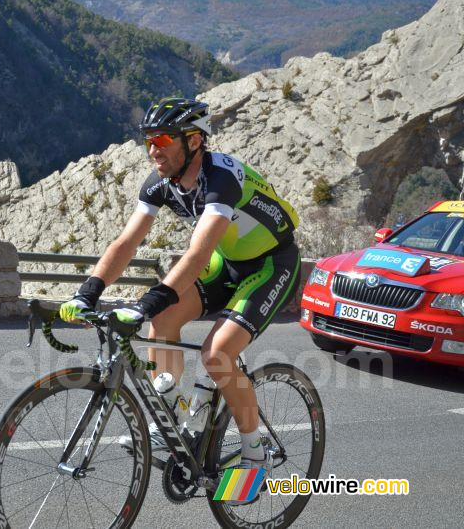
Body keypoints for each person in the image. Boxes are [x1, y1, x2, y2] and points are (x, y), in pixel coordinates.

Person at [59, 97, 301, 504]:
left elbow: (197, 254)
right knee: (165, 321)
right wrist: (89, 291)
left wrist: (147, 301)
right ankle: (172, 414)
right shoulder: (159, 184)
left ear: (194, 141)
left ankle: (254, 458)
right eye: (149, 141)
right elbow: (126, 242)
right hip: (229, 262)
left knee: (217, 354)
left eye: (164, 139)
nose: (154, 150)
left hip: (271, 265)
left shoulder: (221, 178)